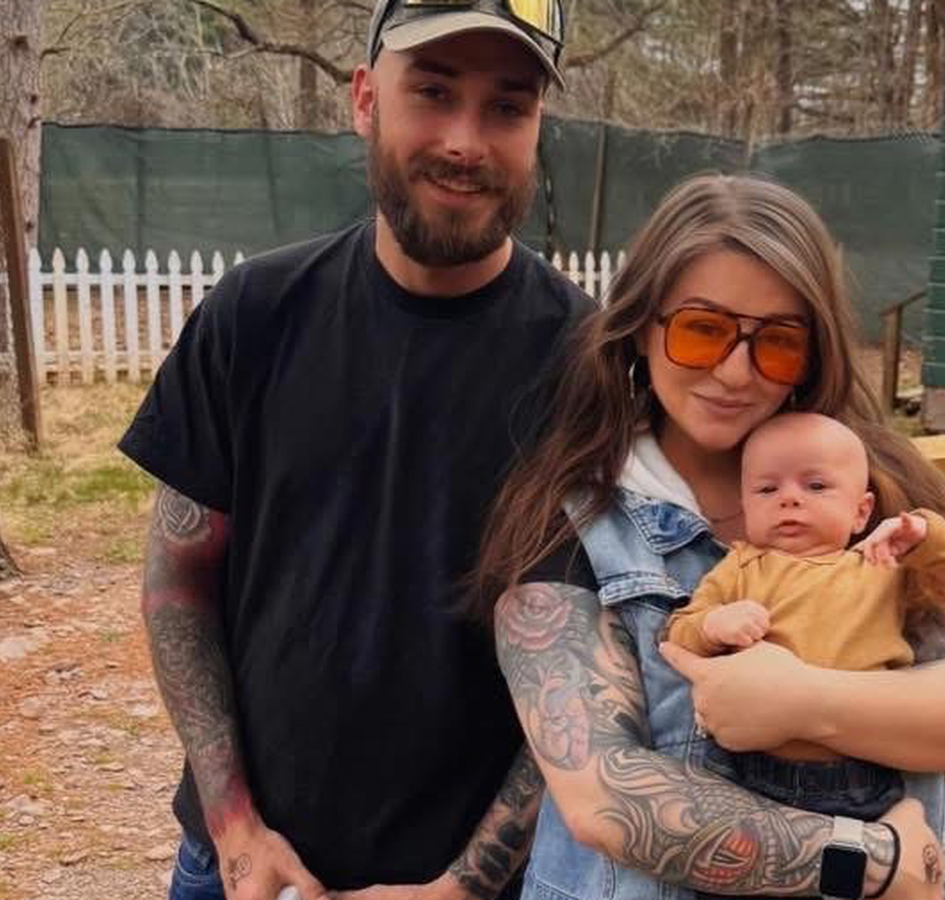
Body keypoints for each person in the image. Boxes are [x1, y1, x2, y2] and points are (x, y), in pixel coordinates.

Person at [119, 2, 587, 899]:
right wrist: (235, 830)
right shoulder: (255, 314)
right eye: (433, 93)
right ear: (366, 99)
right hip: (241, 871)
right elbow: (179, 581)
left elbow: (595, 667)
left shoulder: (588, 366)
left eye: (507, 106)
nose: (465, 141)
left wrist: (464, 885)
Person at [475, 174, 945, 900]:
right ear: (642, 327)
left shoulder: (888, 496)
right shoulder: (575, 519)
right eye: (701, 329)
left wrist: (801, 702)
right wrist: (873, 861)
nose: (736, 372)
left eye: (777, 341)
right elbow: (603, 795)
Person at [666, 411, 945, 824]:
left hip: (860, 771)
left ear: (861, 511)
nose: (789, 498)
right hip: (745, 770)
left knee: (862, 857)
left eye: (815, 486)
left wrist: (925, 536)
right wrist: (713, 624)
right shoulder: (740, 567)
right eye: (767, 489)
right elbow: (680, 629)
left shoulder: (880, 565)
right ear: (745, 508)